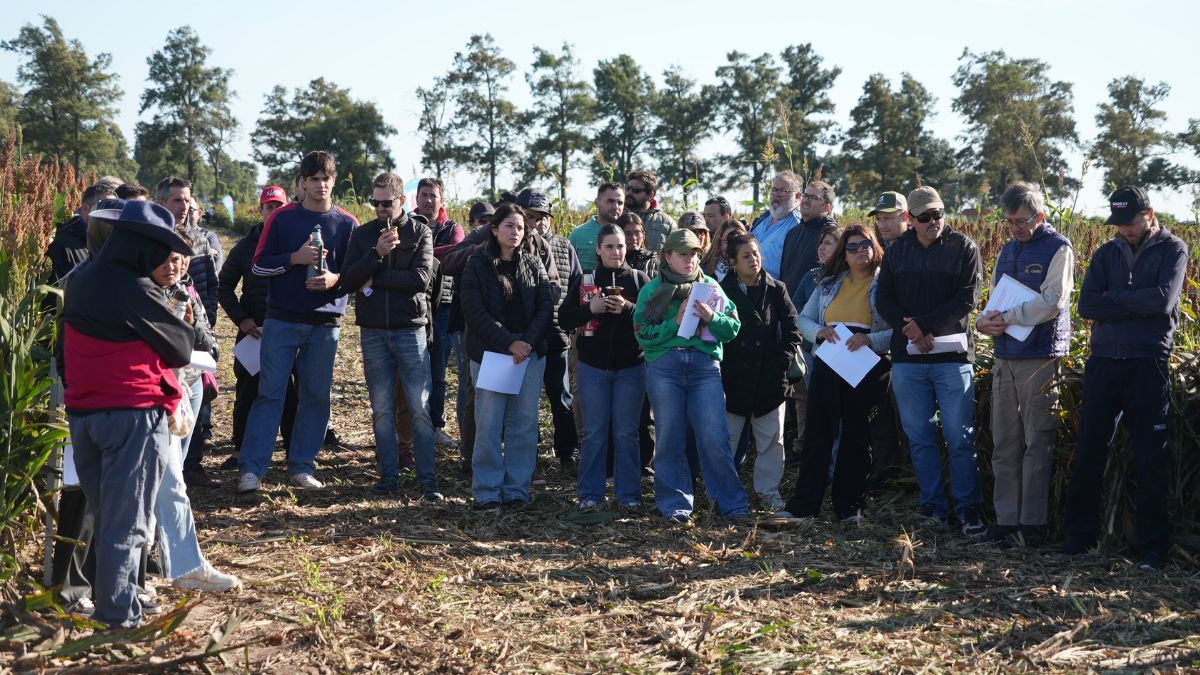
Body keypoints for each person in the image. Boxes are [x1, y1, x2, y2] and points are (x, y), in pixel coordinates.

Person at [61, 200, 195, 629]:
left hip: (85, 415)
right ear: (142, 245)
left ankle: (111, 605)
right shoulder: (133, 288)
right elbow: (180, 346)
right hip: (131, 415)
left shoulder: (81, 279)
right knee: (129, 523)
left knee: (108, 517)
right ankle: (119, 616)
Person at [1062, 186, 1187, 570]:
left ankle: (1153, 551)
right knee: (1089, 452)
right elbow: (1087, 304)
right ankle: (1079, 540)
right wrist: (1133, 299)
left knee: (1151, 457)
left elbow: (1162, 302)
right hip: (1104, 361)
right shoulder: (1106, 252)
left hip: (1147, 363)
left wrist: (1116, 298)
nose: (1124, 231)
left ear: (1148, 214)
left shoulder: (1173, 250)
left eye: (1130, 223)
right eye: (1118, 225)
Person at [237, 150, 359, 493]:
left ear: (334, 182)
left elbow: (358, 273)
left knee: (316, 396)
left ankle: (302, 465)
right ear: (302, 183)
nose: (320, 185)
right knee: (269, 394)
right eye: (314, 179)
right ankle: (252, 469)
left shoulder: (348, 224)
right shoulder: (282, 219)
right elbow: (259, 265)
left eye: (326, 179)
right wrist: (295, 258)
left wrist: (335, 279)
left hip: (325, 325)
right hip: (282, 320)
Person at [875, 186, 986, 539]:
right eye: (925, 217)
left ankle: (968, 509)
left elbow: (967, 298)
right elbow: (884, 300)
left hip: (952, 359)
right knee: (920, 437)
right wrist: (912, 329)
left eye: (937, 214)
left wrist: (923, 326)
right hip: (909, 360)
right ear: (911, 219)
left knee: (959, 437)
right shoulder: (897, 253)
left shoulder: (963, 248)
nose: (933, 222)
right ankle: (933, 508)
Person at [974, 182, 1074, 546]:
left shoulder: (1058, 248)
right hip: (1005, 354)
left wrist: (1010, 316)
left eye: (1020, 221)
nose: (1014, 228)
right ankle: (1005, 521)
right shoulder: (1007, 250)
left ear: (1040, 216)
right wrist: (984, 322)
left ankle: (1031, 524)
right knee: (1005, 441)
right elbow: (995, 299)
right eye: (1009, 222)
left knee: (1037, 440)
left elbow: (1052, 301)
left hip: (1040, 356)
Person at [634, 229, 748, 522]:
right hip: (664, 368)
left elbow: (732, 329)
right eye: (682, 254)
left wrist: (712, 317)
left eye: (694, 253)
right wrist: (675, 321)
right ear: (667, 256)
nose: (689, 259)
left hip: (704, 367)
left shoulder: (710, 287)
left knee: (714, 436)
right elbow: (643, 336)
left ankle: (731, 504)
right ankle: (676, 505)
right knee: (670, 436)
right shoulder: (652, 290)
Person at [781, 225, 894, 521]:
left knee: (857, 436)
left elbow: (896, 331)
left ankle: (849, 507)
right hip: (830, 362)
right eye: (853, 247)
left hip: (868, 364)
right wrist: (819, 331)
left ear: (874, 247)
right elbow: (802, 318)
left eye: (865, 245)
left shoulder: (886, 284)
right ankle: (805, 505)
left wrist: (871, 339)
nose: (860, 251)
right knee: (819, 433)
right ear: (843, 253)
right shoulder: (828, 283)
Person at [145, 246, 240, 592]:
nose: (173, 266)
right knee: (154, 488)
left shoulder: (183, 293)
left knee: (172, 484)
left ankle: (183, 564)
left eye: (178, 260)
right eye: (165, 258)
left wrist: (186, 328)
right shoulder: (137, 293)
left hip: (174, 393)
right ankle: (143, 570)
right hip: (140, 401)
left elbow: (203, 341)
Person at [341, 172, 440, 498]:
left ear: (401, 201)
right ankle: (388, 477)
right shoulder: (363, 234)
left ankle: (427, 480)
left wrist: (375, 279)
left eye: (387, 202)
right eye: (376, 202)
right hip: (373, 331)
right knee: (382, 409)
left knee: (419, 407)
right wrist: (376, 255)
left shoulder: (420, 232)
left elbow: (420, 279)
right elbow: (348, 280)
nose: (381, 208)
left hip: (410, 330)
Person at [460, 203, 555, 510]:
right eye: (509, 226)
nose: (515, 232)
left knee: (524, 424)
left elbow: (545, 308)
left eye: (520, 227)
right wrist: (508, 343)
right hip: (492, 355)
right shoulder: (477, 263)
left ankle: (516, 489)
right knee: (488, 424)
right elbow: (474, 311)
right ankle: (487, 490)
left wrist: (526, 343)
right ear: (494, 230)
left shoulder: (533, 262)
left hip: (528, 355)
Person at [560, 224, 650, 508]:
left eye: (621, 245)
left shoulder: (639, 279)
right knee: (594, 431)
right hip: (592, 367)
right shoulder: (586, 279)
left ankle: (628, 495)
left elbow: (654, 319)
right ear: (598, 249)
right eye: (609, 246)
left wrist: (627, 308)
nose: (616, 251)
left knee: (627, 432)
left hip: (632, 368)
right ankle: (590, 493)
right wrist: (591, 309)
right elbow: (564, 318)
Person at [718, 234, 801, 511]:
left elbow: (792, 328)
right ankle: (723, 494)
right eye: (746, 256)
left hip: (769, 378)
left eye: (755, 253)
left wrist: (782, 360)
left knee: (771, 440)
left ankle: (768, 491)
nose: (753, 260)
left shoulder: (776, 289)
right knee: (727, 440)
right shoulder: (721, 291)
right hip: (733, 378)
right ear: (732, 262)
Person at [218, 186, 299, 470]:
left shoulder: (297, 243)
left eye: (279, 206)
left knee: (292, 393)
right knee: (248, 391)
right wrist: (242, 319)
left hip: (290, 329)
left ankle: (293, 450)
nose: (274, 212)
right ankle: (241, 449)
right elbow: (224, 286)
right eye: (269, 207)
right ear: (260, 210)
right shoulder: (244, 247)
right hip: (255, 331)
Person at [155, 177, 224, 488]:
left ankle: (191, 468)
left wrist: (204, 322)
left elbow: (208, 285)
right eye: (176, 201)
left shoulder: (199, 240)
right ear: (161, 204)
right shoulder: (151, 240)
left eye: (186, 200)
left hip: (196, 340)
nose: (183, 207)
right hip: (168, 352)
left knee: (196, 412)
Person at [517, 188, 582, 469]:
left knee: (561, 397)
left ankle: (567, 452)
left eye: (543, 217)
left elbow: (577, 285)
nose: (538, 223)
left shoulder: (564, 246)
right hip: (522, 338)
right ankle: (526, 454)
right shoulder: (511, 246)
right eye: (531, 216)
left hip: (556, 333)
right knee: (524, 403)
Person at [414, 177, 464, 448]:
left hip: (443, 306)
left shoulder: (453, 228)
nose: (428, 200)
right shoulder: (407, 224)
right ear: (416, 199)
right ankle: (412, 427)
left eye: (433, 195)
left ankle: (435, 425)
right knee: (411, 370)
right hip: (412, 305)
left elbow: (457, 251)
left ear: (441, 200)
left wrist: (419, 252)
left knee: (438, 370)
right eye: (424, 195)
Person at [449, 201, 496, 474]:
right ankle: (470, 456)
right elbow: (448, 262)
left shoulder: (529, 241)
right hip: (477, 328)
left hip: (512, 331)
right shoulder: (480, 238)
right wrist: (480, 247)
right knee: (474, 391)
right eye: (487, 220)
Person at [46, 182, 116, 285]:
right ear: (85, 208)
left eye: (113, 210)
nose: (109, 216)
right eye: (104, 208)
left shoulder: (111, 245)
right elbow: (54, 295)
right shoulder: (62, 247)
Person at [568, 181, 624, 271]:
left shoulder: (628, 233)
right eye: (610, 201)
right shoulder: (578, 234)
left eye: (620, 203)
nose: (616, 207)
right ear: (597, 203)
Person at [625, 170, 676, 252]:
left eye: (635, 190)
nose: (629, 193)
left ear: (650, 195)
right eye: (628, 188)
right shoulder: (617, 217)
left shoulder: (668, 223)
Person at [620, 212, 657, 278]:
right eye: (627, 233)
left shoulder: (653, 264)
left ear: (643, 236)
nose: (633, 237)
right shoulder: (613, 262)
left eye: (637, 232)